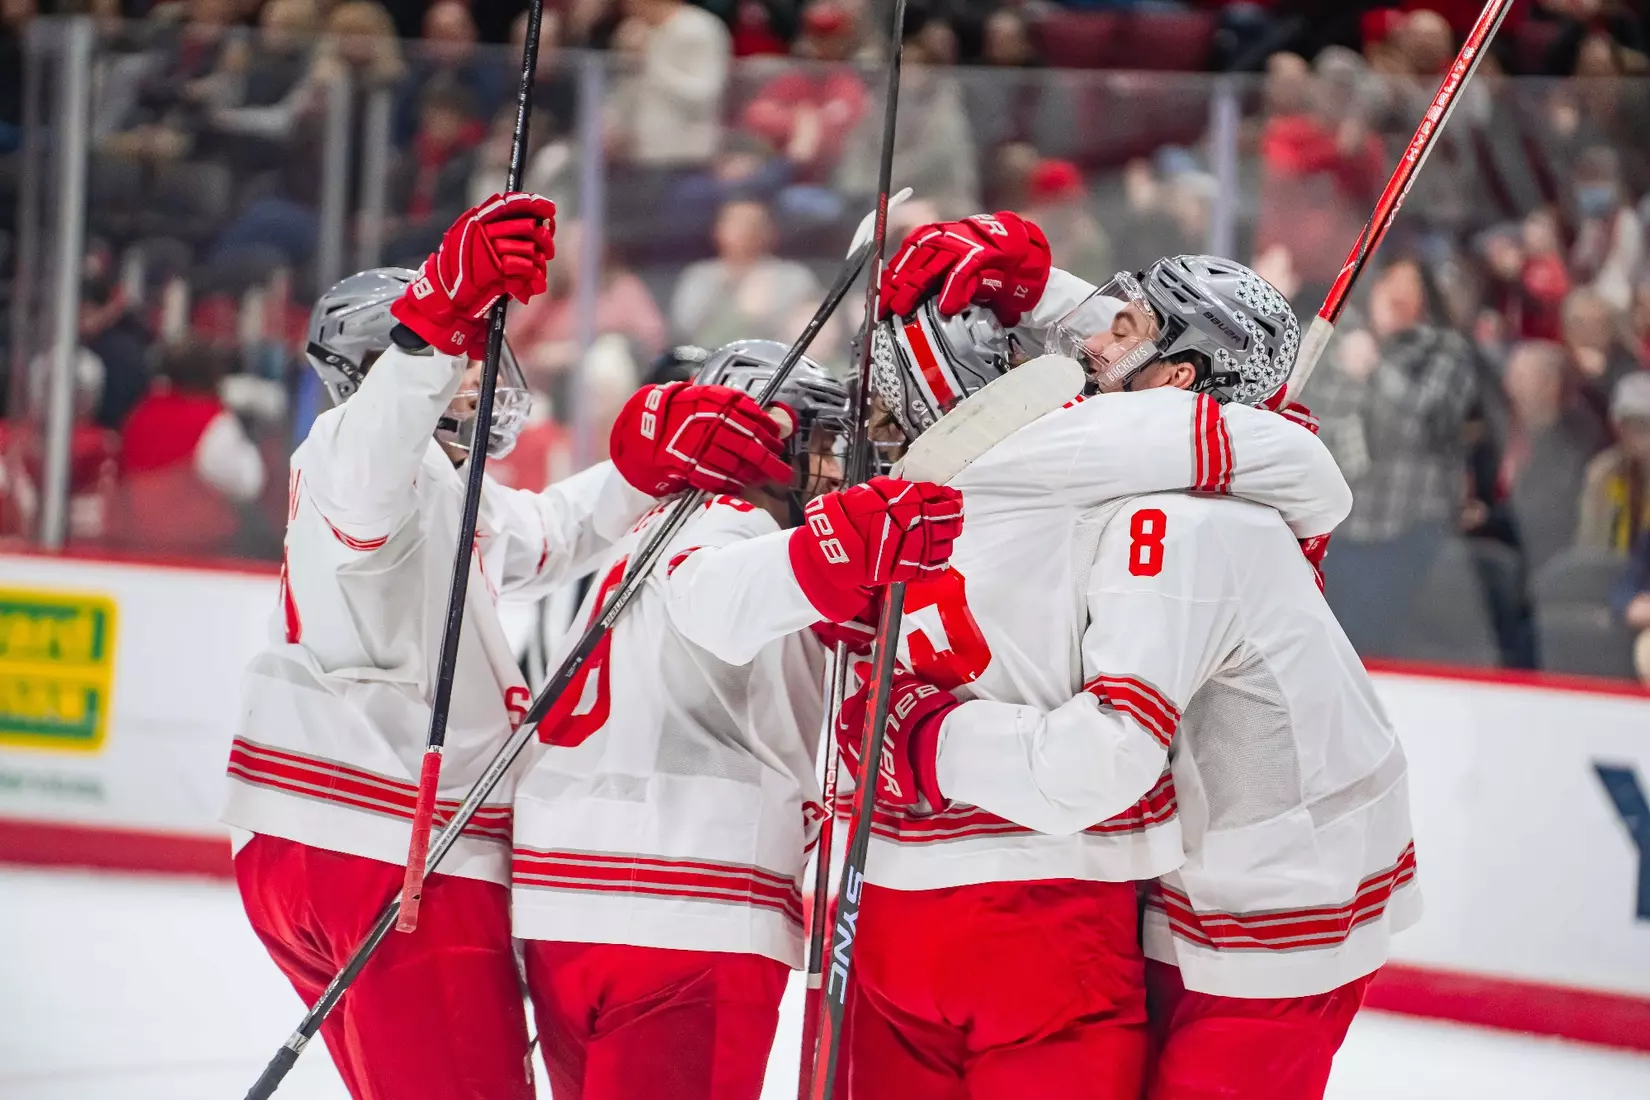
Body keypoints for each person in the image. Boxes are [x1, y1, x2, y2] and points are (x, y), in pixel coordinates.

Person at [221, 193, 794, 1100]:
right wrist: (438, 317)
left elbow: (539, 535)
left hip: (336, 843)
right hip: (389, 848)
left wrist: (641, 474)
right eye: (460, 358)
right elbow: (371, 450)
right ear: (389, 367)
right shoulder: (355, 457)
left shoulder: (441, 489)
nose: (476, 378)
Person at [838, 214, 1417, 1100]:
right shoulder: (1173, 469)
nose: (1091, 338)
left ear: (1177, 382)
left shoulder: (1174, 515)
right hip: (1214, 886)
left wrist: (928, 741)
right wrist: (1039, 293)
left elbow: (1103, 759)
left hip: (1280, 906)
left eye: (1124, 326)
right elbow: (1132, 400)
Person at [512, 341, 961, 1100]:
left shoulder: (647, 526)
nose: (832, 465)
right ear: (765, 441)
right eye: (817, 443)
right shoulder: (730, 522)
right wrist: (836, 554)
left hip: (568, 906)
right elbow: (722, 603)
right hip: (685, 904)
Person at [1304, 256, 1479, 656]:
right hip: (1335, 529)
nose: (1397, 295)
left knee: (1371, 645)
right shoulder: (1340, 337)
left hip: (1403, 530)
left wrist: (1376, 369)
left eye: (1410, 288)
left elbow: (1423, 426)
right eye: (1391, 284)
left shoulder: (1446, 352)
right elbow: (1309, 415)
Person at [1577, 372, 1650, 555]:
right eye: (1634, 425)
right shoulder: (1603, 474)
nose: (1643, 438)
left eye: (1647, 425)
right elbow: (1590, 544)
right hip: (1612, 575)